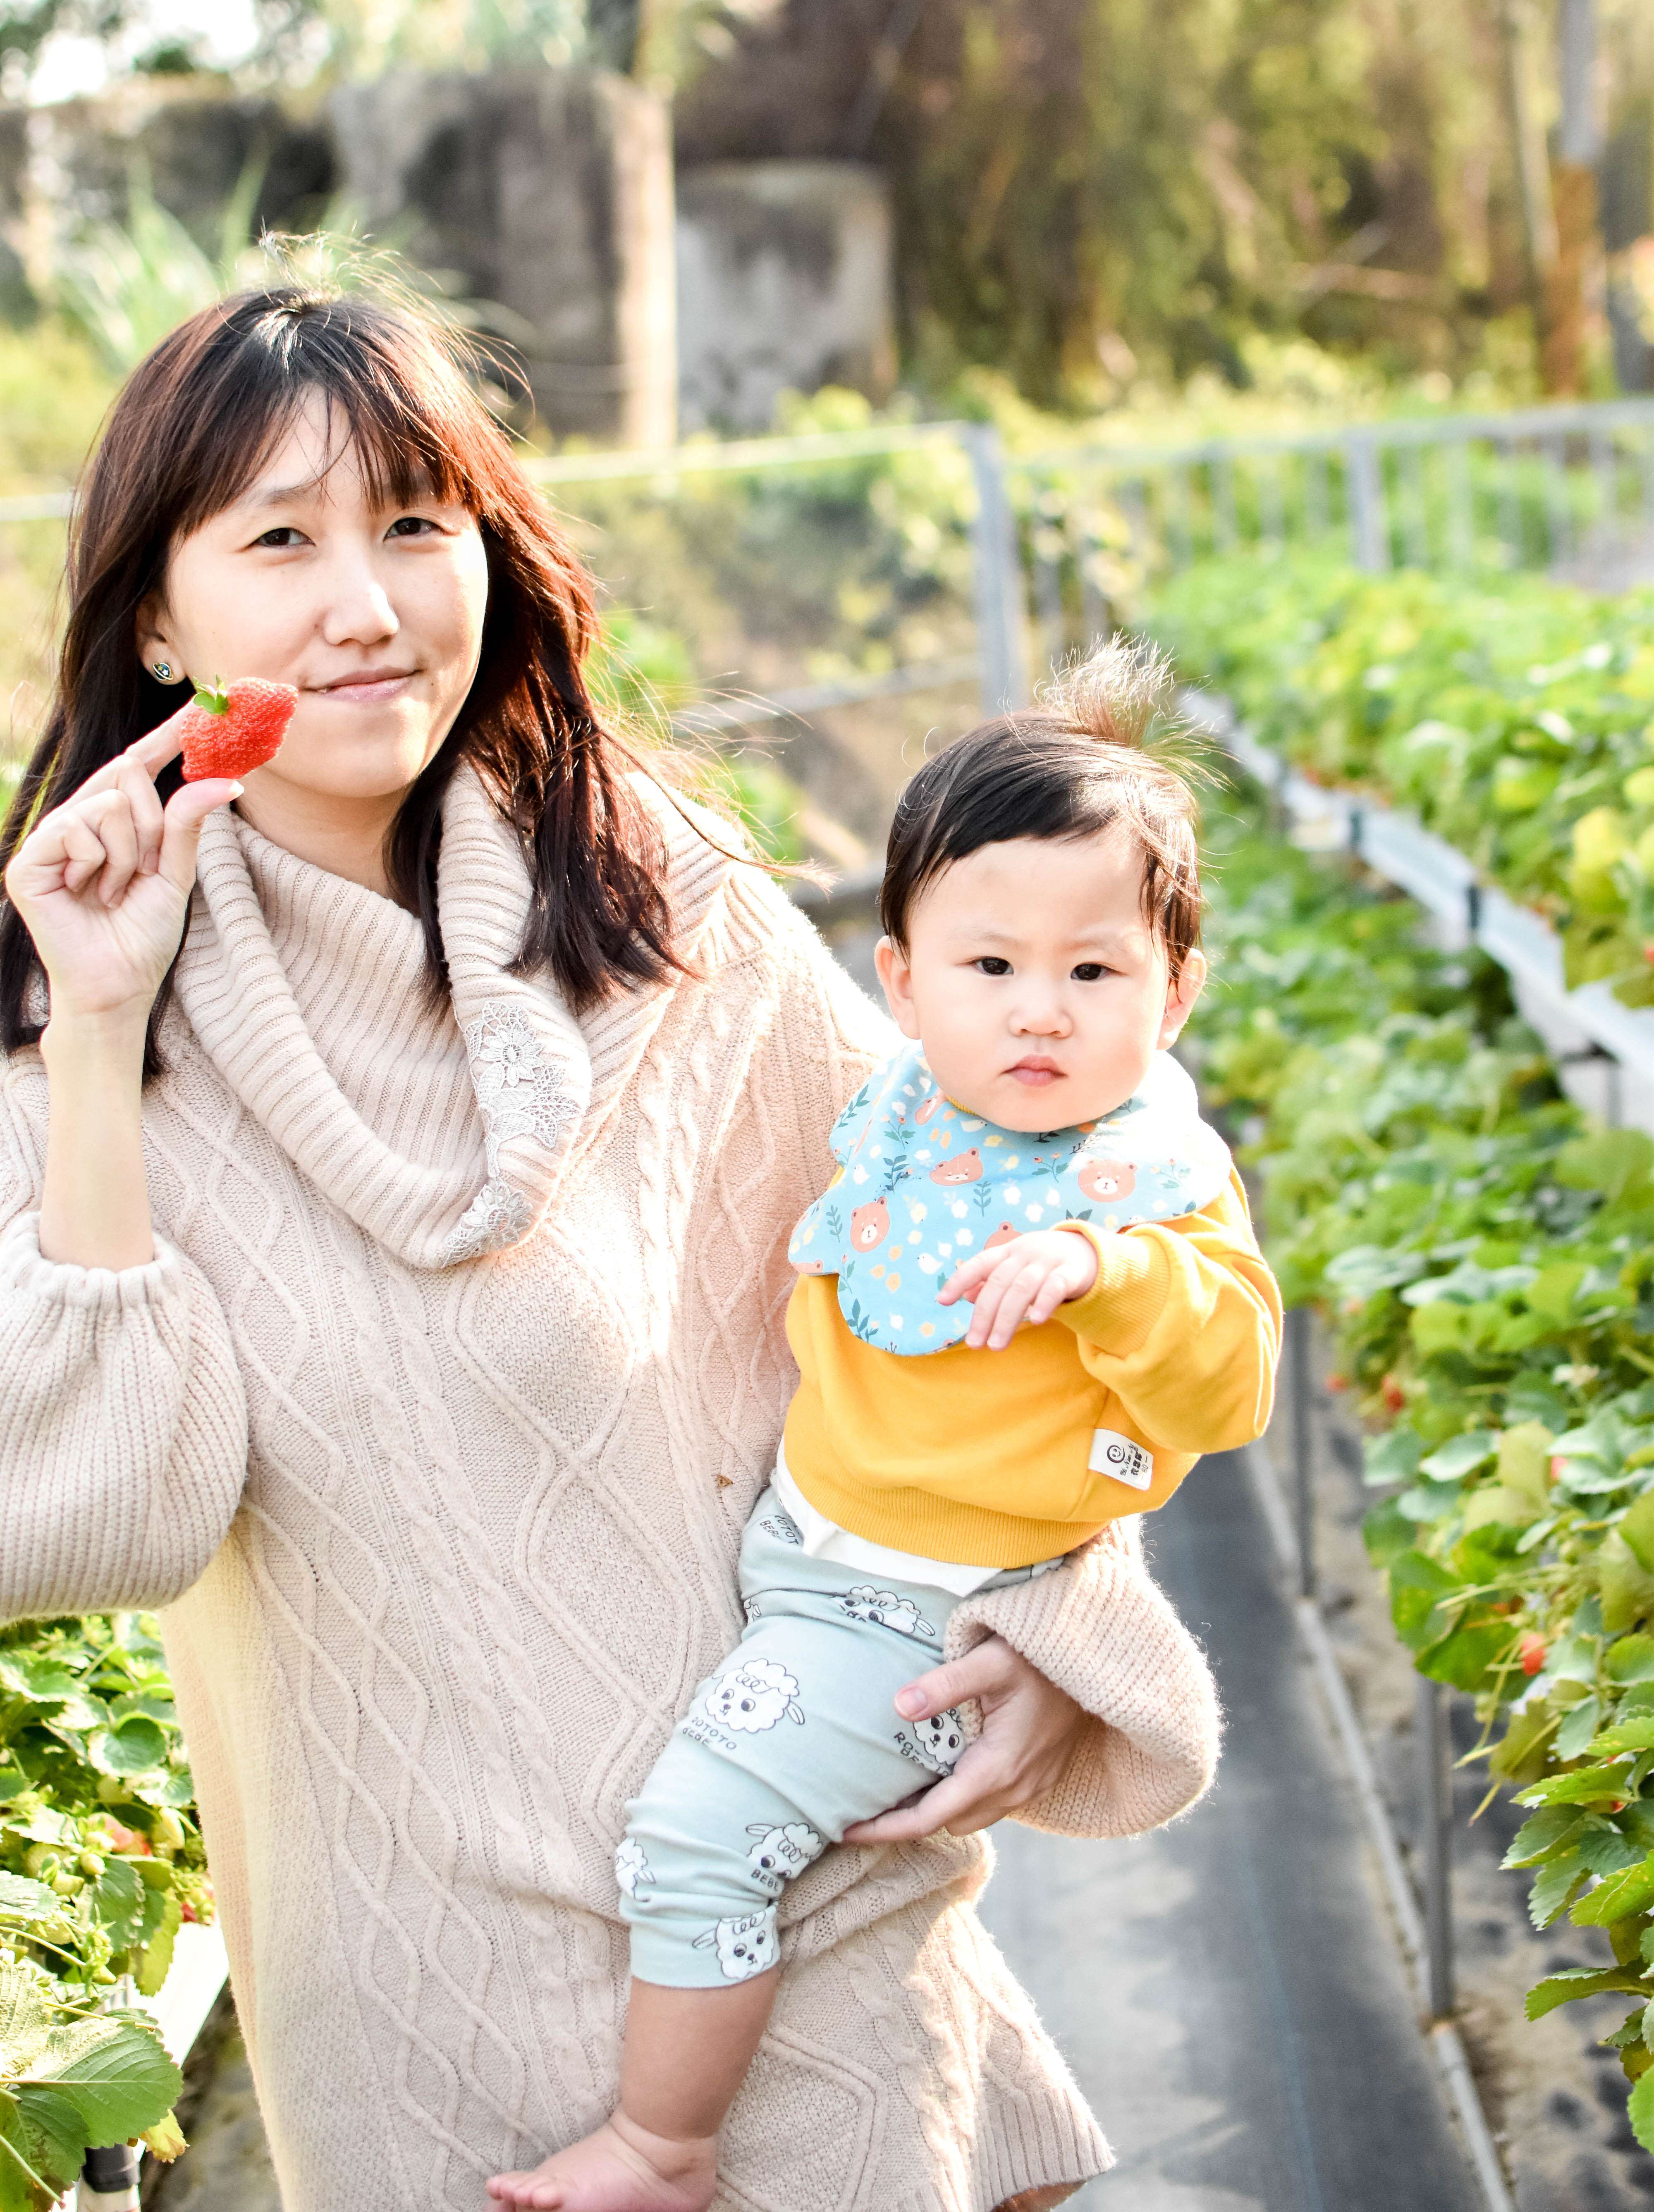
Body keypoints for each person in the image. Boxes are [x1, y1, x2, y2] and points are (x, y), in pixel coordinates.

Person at [2, 282, 1223, 2212]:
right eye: (280, 541)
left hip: (813, 1919)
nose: (368, 605)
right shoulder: (79, 1006)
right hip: (419, 2026)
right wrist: (83, 1032)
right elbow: (92, 1521)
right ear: (157, 618)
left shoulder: (661, 903)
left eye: (417, 523)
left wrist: (1059, 1621)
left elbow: (1034, 1236)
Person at [491, 645, 1280, 2212]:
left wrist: (1108, 1275)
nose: (1040, 1012)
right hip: (804, 1549)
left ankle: (664, 2143)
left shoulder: (1145, 1184)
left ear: (1175, 987)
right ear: (903, 977)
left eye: (1096, 971)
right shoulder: (913, 1116)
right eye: (991, 969)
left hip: (913, 1608)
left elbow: (1229, 1389)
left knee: (701, 1835)